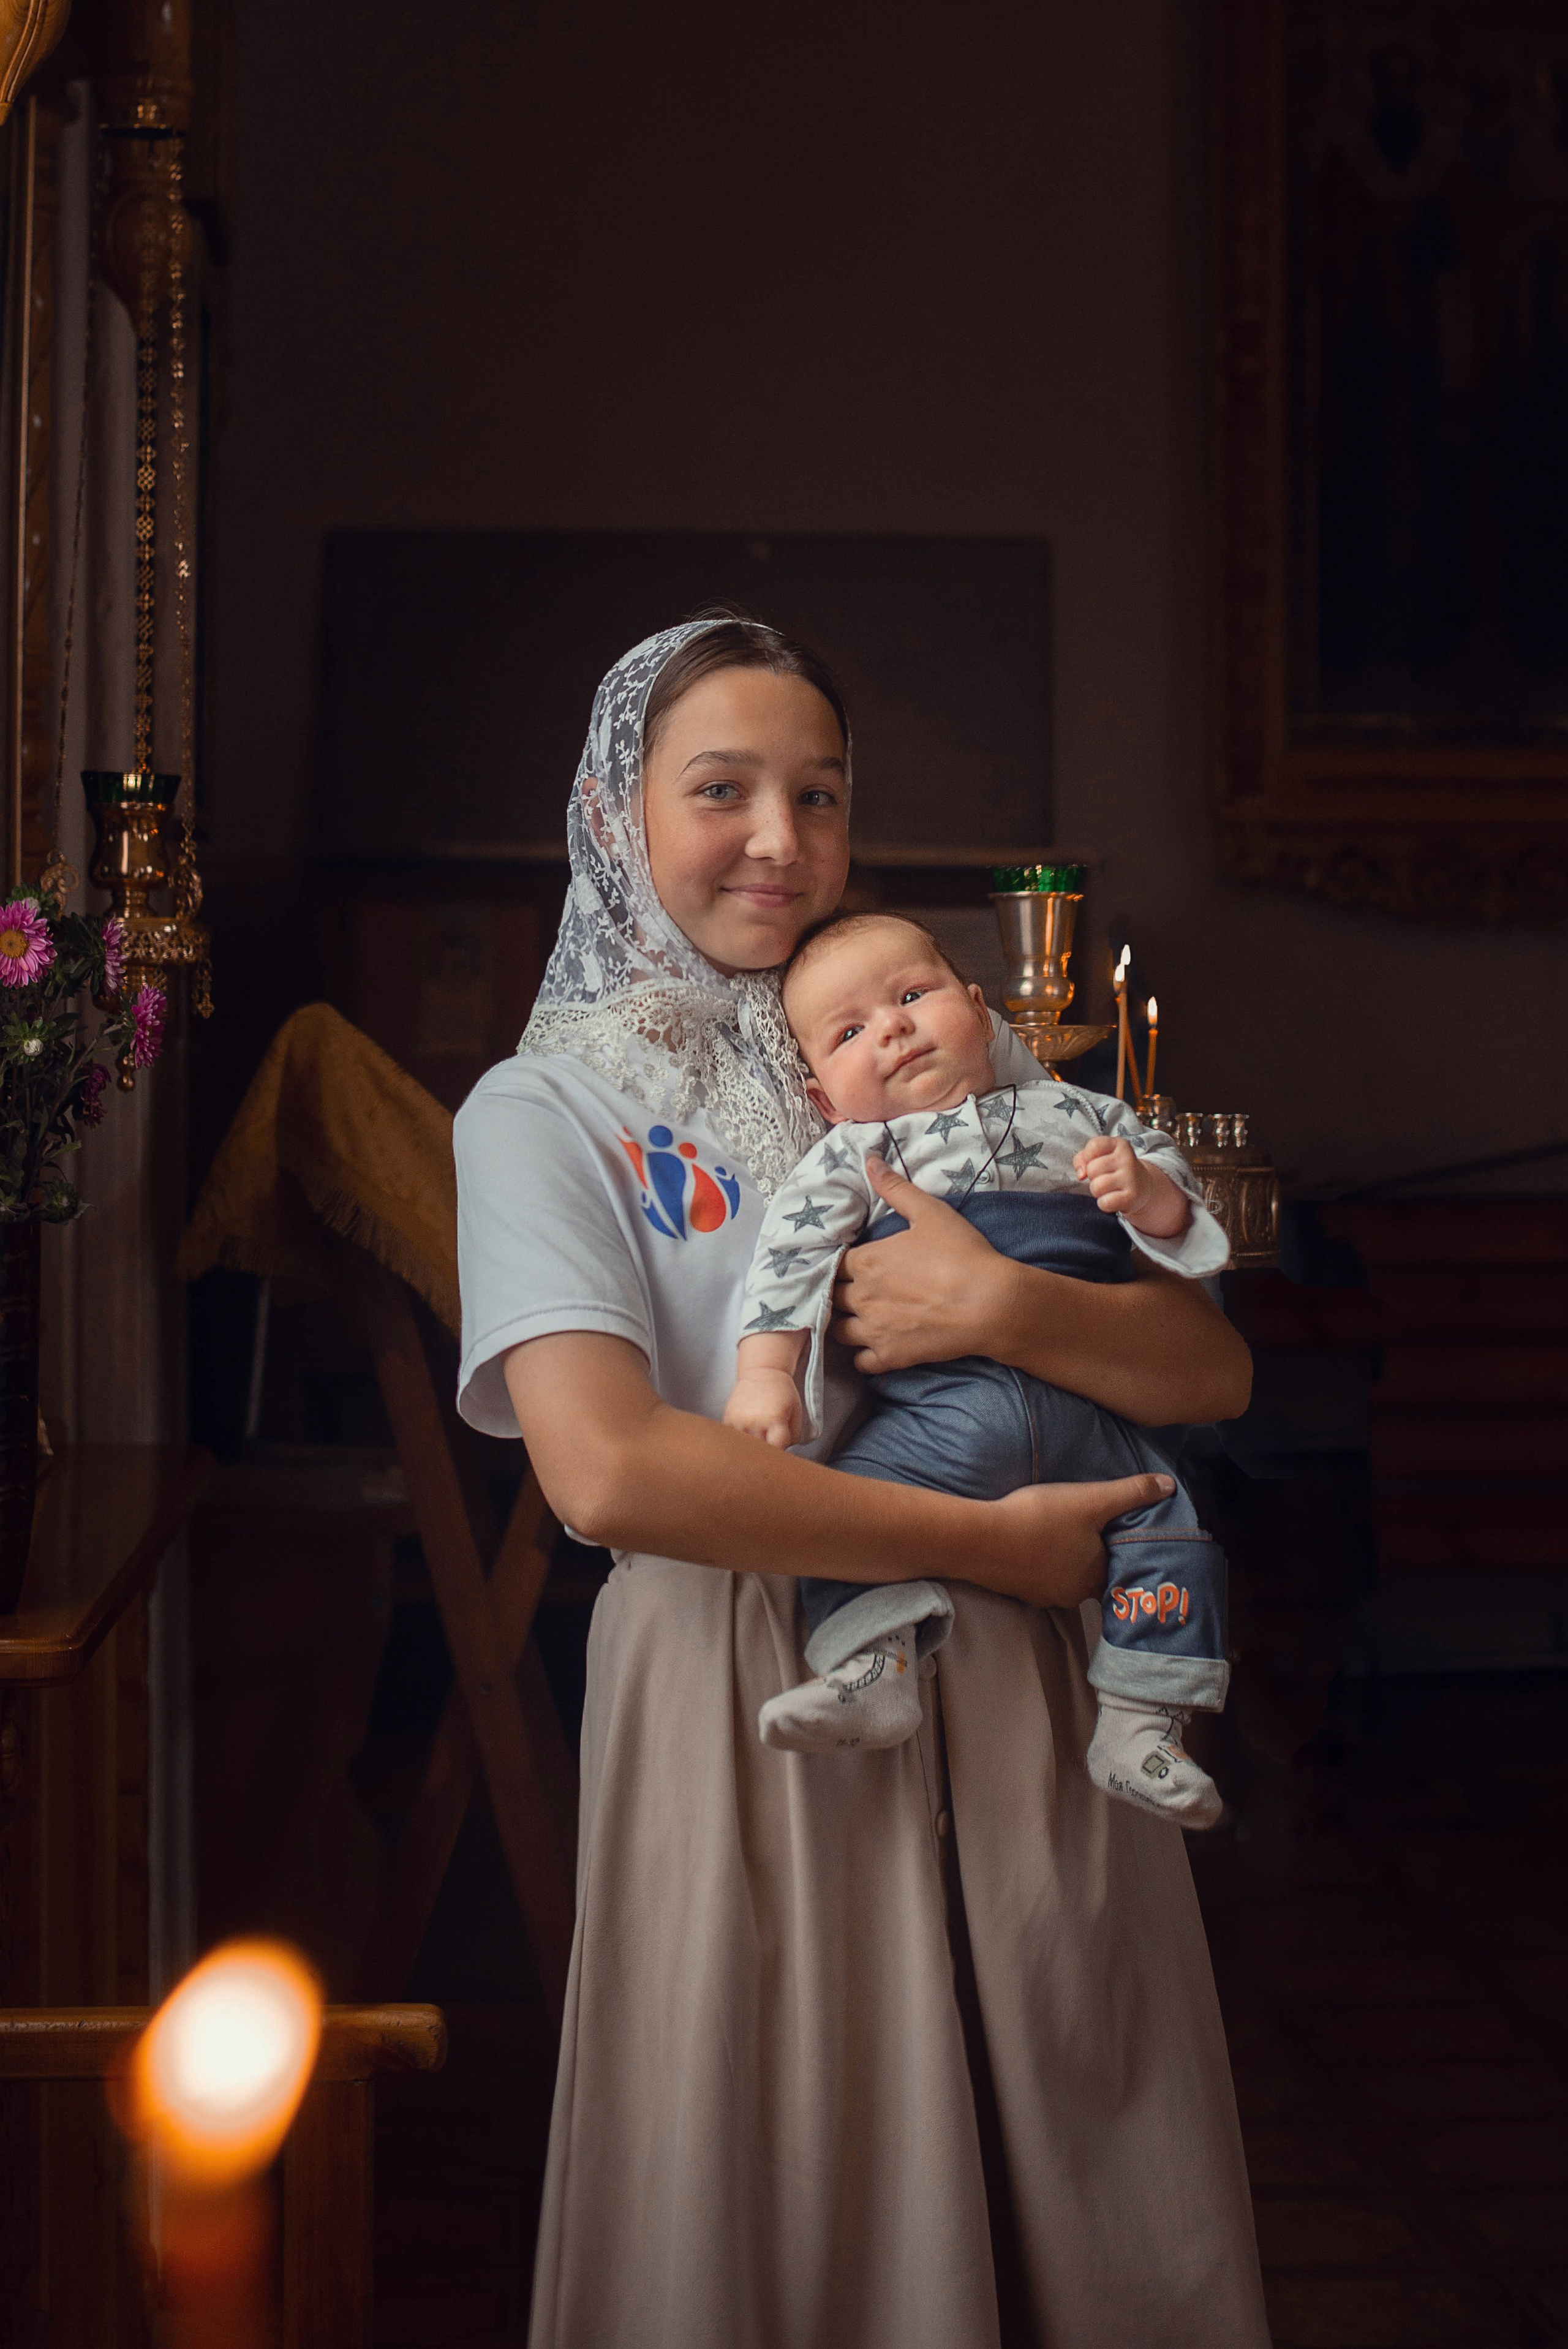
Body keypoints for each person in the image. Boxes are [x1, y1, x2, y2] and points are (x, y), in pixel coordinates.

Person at [453, 615, 1269, 2348]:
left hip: (1032, 1694)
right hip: (748, 1693)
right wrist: (986, 1539)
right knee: (789, 2182)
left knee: (1085, 2160)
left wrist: (1003, 1302)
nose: (779, 838)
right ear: (613, 814)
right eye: (720, 789)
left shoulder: (925, 1040)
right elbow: (607, 1470)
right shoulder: (539, 1110)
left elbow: (1207, 1372)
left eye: (815, 793)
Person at [725, 908, 1231, 1828]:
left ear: (978, 1006)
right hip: (940, 1418)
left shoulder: (1085, 1114)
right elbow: (789, 1260)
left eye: (913, 996)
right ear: (825, 1099)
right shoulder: (854, 1152)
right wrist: (765, 1374)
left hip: (1088, 1410)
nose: (891, 1027)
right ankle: (872, 1673)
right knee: (849, 1505)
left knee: (1169, 1519)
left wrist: (1149, 1195)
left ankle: (1140, 1724)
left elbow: (1188, 1227)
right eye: (850, 1032)